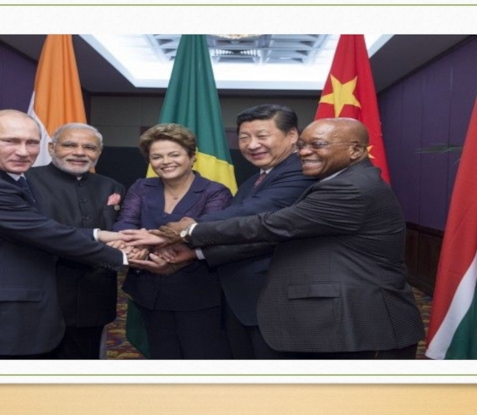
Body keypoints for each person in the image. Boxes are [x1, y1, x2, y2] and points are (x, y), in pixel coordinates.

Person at [126, 118, 425, 359]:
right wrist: (197, 254)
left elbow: (271, 226)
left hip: (364, 321)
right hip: (339, 320)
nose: (304, 152)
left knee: (358, 402)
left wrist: (190, 231)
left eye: (318, 145)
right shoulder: (333, 182)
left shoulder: (349, 187)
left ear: (356, 151)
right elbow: (282, 238)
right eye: (303, 145)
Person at [0, 110, 140, 359]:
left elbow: (37, 229)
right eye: (11, 141)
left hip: (9, 319)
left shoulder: (7, 179)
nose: (23, 151)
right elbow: (45, 233)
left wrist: (98, 234)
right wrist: (125, 257)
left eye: (31, 143)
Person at [142, 104, 316, 359]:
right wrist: (195, 253)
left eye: (262, 136)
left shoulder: (300, 172)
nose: (252, 145)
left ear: (292, 135)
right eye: (244, 137)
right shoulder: (254, 180)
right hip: (243, 302)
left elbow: (252, 215)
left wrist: (188, 229)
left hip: (273, 302)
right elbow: (240, 234)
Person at [111, 123, 233, 359]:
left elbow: (208, 233)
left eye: (174, 154)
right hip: (148, 292)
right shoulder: (141, 187)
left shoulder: (215, 192)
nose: (165, 161)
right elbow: (125, 223)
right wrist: (139, 248)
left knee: (201, 361)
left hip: (197, 293)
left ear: (192, 157)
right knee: (162, 359)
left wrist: (149, 241)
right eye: (157, 157)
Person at [25, 123, 125, 360]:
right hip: (44, 295)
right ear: (51, 148)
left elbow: (120, 230)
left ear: (99, 152)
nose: (80, 152)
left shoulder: (112, 186)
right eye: (70, 145)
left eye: (89, 147)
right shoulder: (26, 182)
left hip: (96, 296)